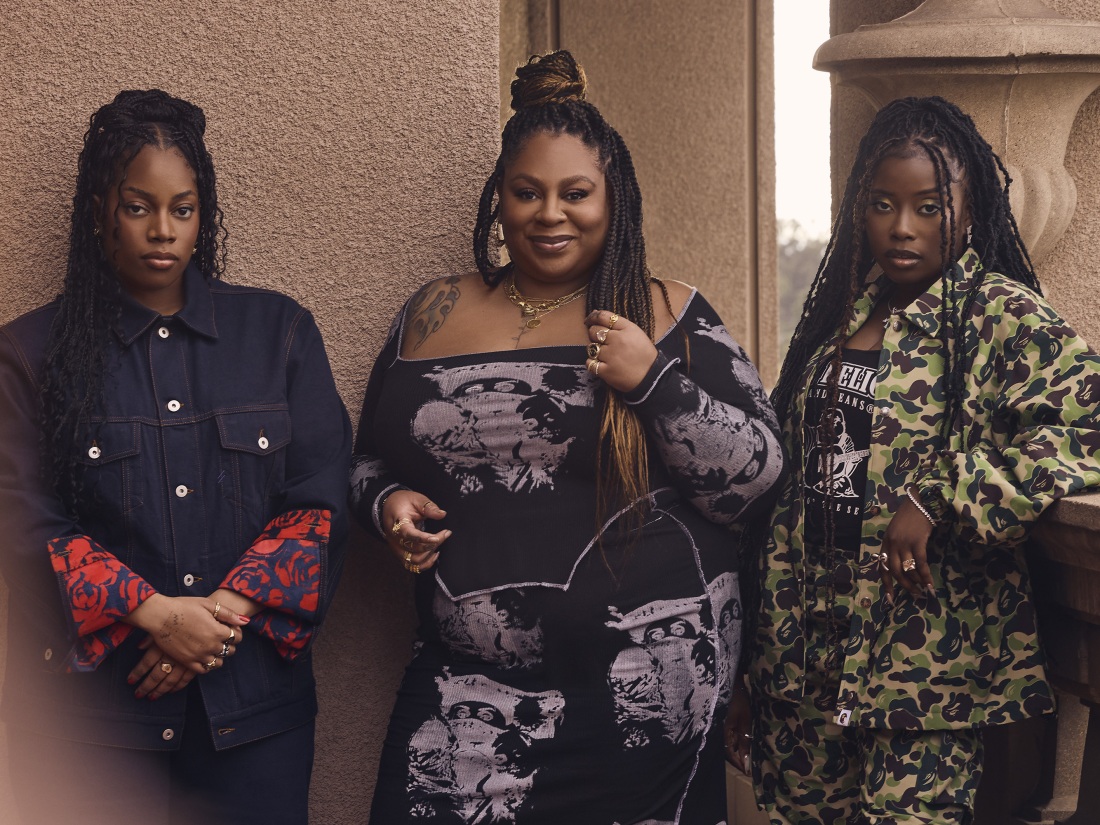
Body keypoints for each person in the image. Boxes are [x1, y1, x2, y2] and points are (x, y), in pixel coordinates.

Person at [349, 50, 785, 823]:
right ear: (500, 200)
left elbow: (754, 481)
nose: (550, 214)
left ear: (614, 202)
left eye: (575, 194)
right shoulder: (434, 312)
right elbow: (366, 459)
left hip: (641, 708)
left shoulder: (668, 312)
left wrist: (652, 379)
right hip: (466, 701)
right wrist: (385, 503)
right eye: (528, 193)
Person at [730, 95, 1100, 824]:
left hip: (923, 665)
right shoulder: (843, 315)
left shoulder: (999, 315)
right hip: (803, 660)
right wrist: (754, 666)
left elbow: (1085, 428)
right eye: (883, 204)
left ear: (971, 209)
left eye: (929, 206)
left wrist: (941, 496)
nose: (902, 227)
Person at [0, 89, 351, 824]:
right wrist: (156, 614)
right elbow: (17, 519)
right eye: (139, 207)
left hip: (256, 724)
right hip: (92, 732)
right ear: (101, 209)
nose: (163, 230)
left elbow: (320, 498)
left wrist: (214, 620)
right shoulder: (28, 354)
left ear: (203, 212)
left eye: (183, 208)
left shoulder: (278, 332)